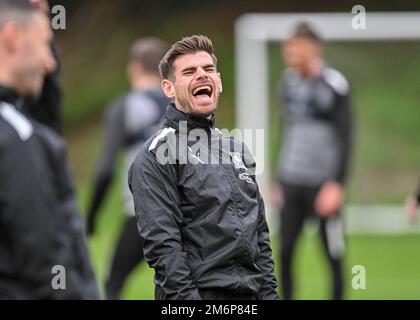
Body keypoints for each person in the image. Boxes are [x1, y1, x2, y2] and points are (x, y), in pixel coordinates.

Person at [128, 35, 279, 300]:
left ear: (218, 81)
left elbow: (260, 237)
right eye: (189, 71)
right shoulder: (157, 155)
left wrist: (269, 295)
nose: (202, 75)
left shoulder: (236, 149)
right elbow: (164, 249)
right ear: (168, 89)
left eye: (208, 69)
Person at [0, 0, 98, 299]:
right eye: (45, 44)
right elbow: (47, 262)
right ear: (12, 37)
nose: (50, 63)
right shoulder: (17, 136)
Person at [85, 37, 170, 299]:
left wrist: (90, 218)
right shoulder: (185, 106)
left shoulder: (124, 107)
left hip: (143, 213)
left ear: (133, 68)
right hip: (185, 213)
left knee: (113, 283)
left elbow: (105, 171)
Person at [275, 23, 353, 300]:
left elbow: (346, 136)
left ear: (314, 48)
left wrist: (336, 184)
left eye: (298, 45)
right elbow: (286, 131)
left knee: (333, 253)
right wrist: (278, 178)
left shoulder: (335, 84)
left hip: (323, 184)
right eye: (290, 45)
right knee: (283, 253)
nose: (292, 51)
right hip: (291, 180)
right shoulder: (288, 83)